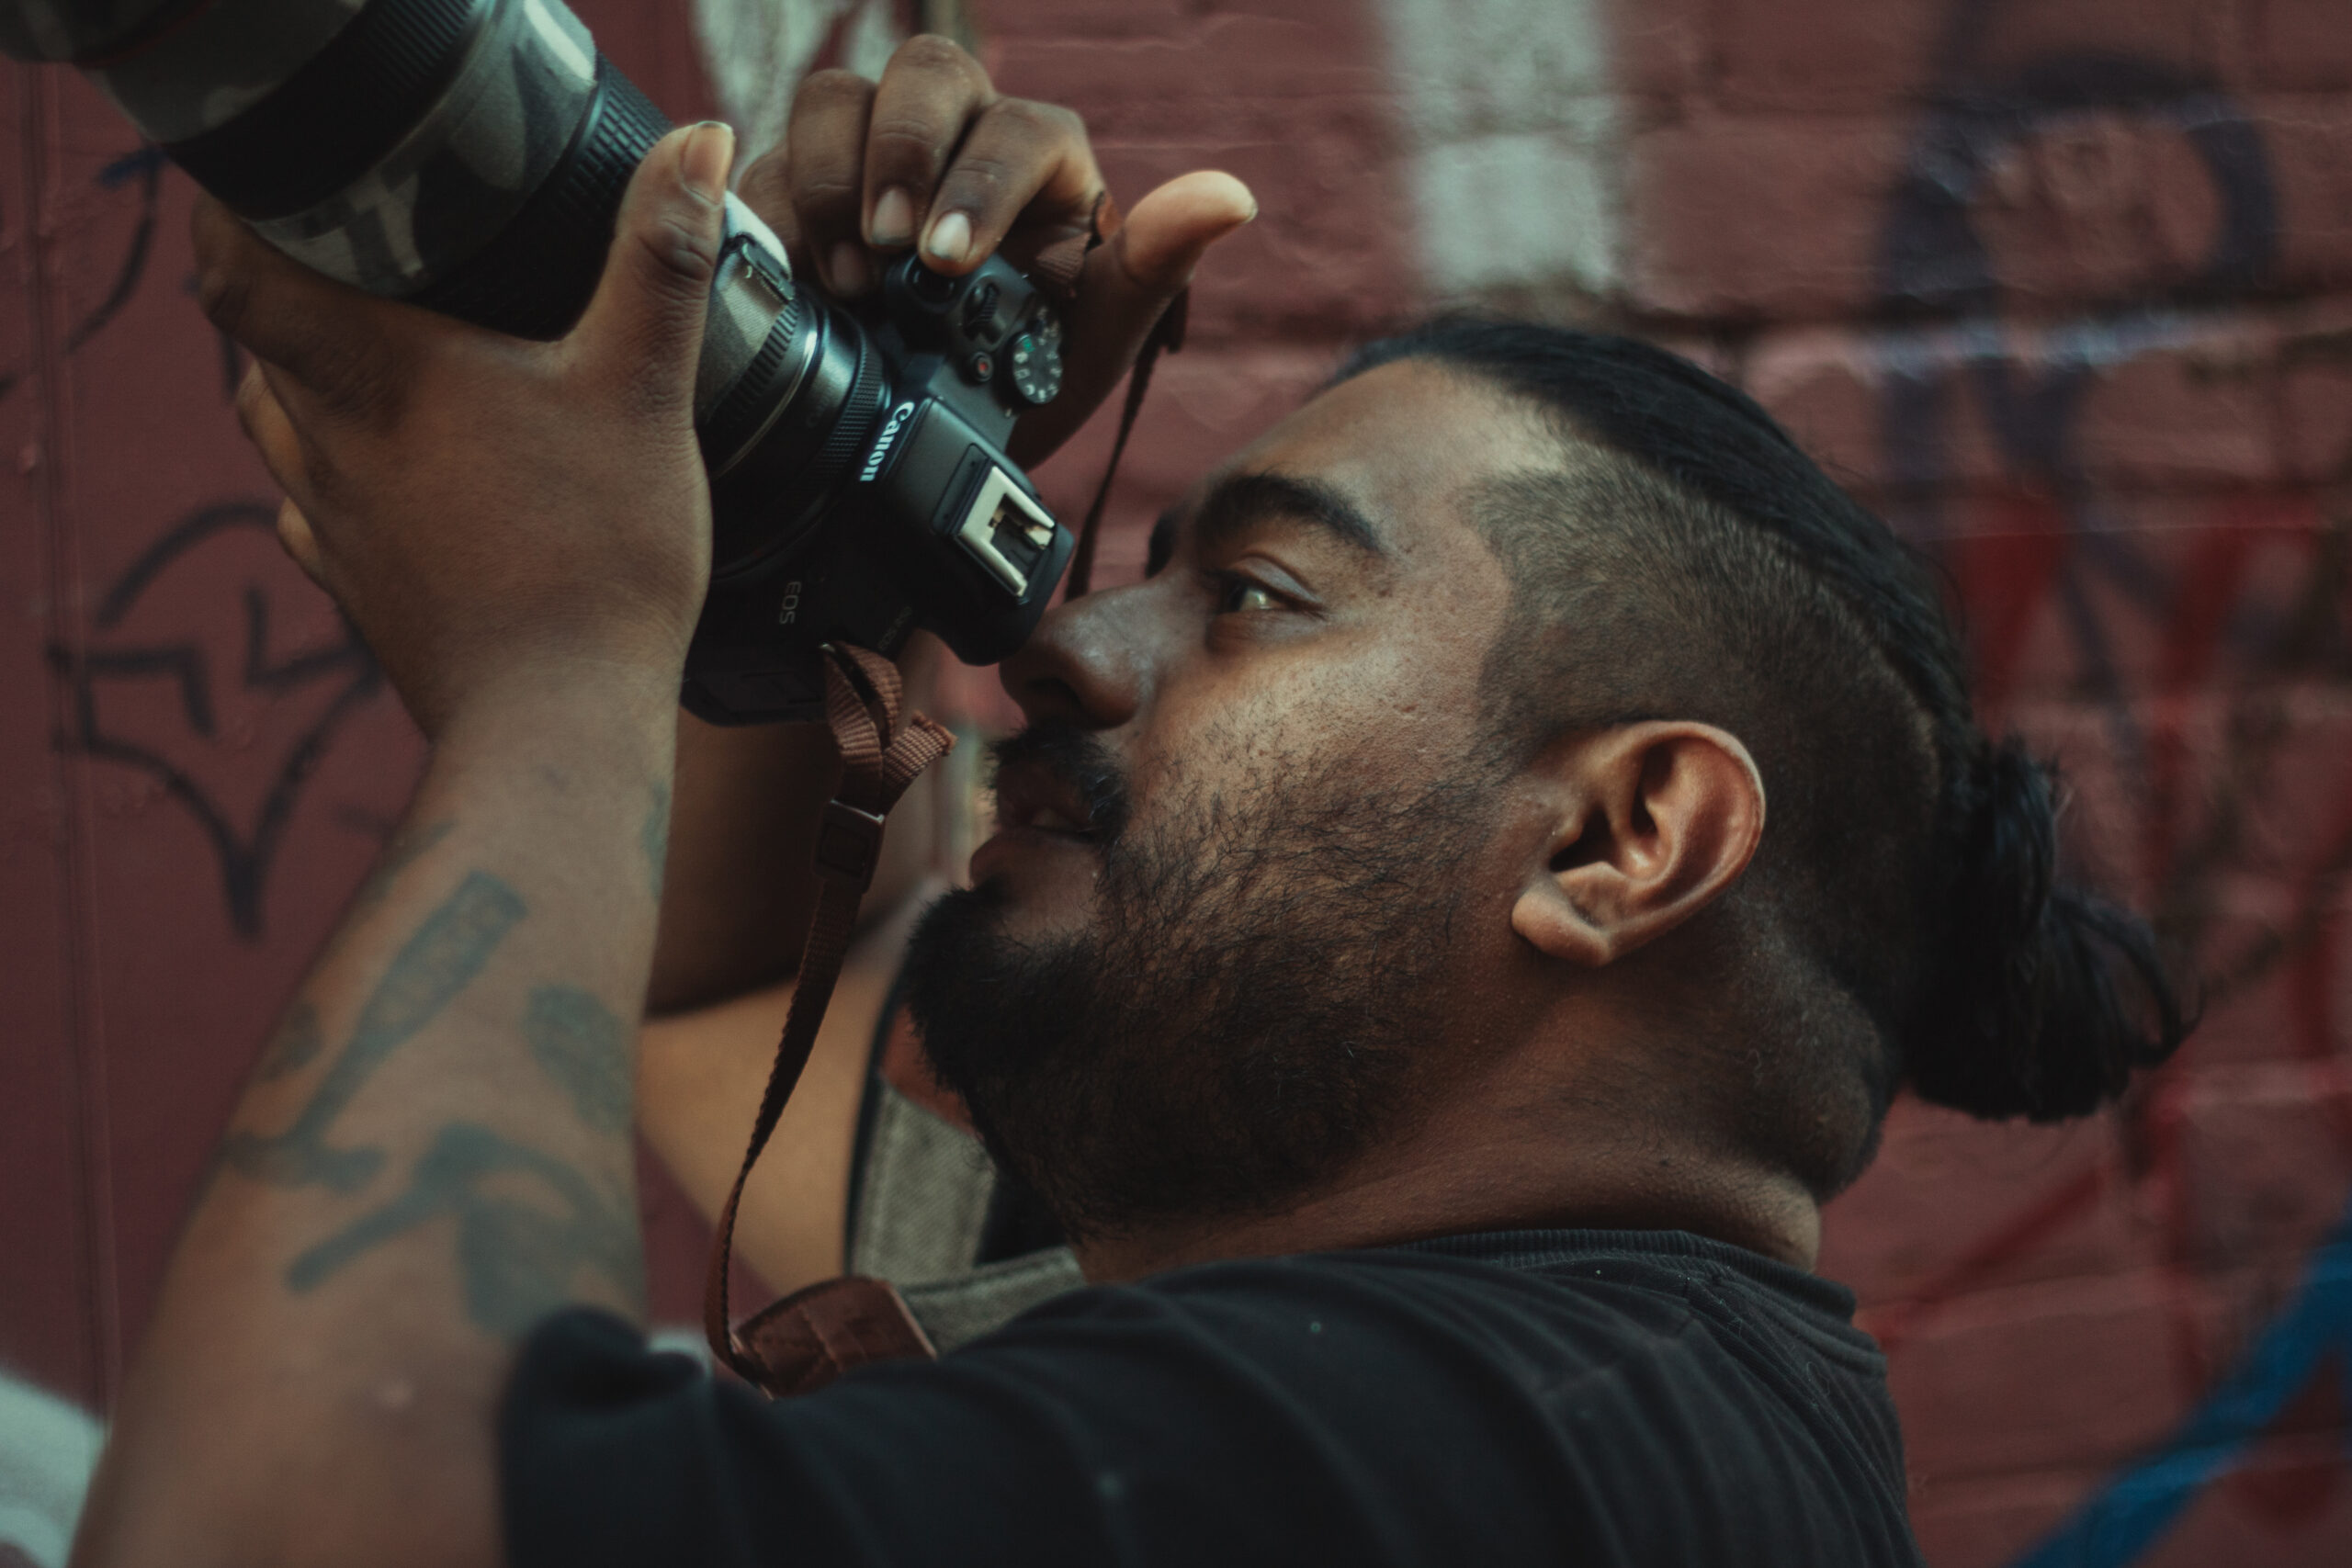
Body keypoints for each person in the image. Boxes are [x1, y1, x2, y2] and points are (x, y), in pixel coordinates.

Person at [70, 36, 2188, 1568]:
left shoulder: (1475, 1456)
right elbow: (712, 1010)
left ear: (1621, 839)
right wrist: (766, 577)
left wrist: (552, 664)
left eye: (1254, 595)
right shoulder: (1387, 1309)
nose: (1061, 650)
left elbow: (294, 1522)